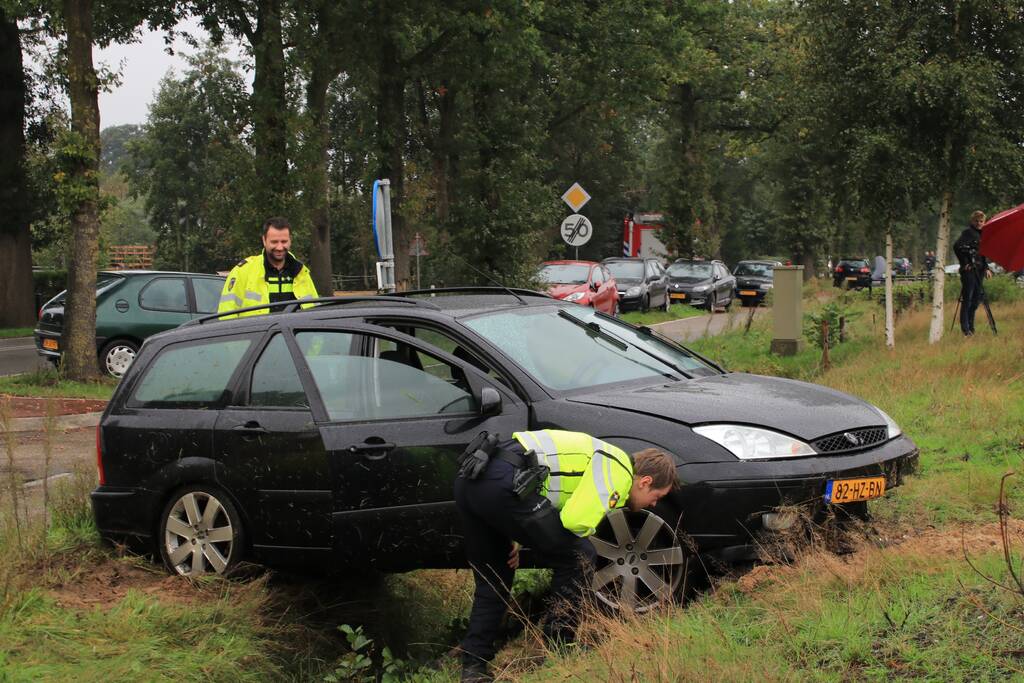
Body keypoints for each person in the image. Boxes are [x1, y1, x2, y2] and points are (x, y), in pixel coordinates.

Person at [454, 429, 677, 682]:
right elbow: (574, 521)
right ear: (645, 481)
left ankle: (474, 667)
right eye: (657, 497)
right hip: (504, 484)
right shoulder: (619, 470)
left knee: (494, 578)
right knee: (579, 556)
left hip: (472, 478)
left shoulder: (602, 453)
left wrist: (517, 535)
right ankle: (560, 645)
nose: (654, 504)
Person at [218, 217, 319, 317]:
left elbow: (315, 315)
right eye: (274, 242)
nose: (279, 247)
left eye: (284, 241)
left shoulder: (301, 272)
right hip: (256, 333)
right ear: (264, 240)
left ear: (290, 240)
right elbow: (226, 316)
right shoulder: (243, 271)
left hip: (292, 333)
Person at [953, 210, 990, 336]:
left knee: (976, 299)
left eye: (981, 221)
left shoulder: (983, 234)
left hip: (979, 270)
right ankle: (966, 328)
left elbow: (983, 254)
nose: (979, 223)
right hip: (969, 271)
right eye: (977, 221)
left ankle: (971, 326)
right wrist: (965, 263)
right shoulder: (968, 233)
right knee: (967, 299)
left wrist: (987, 268)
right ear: (972, 221)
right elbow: (957, 246)